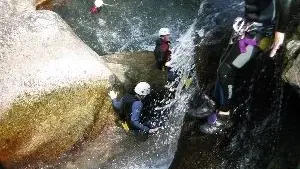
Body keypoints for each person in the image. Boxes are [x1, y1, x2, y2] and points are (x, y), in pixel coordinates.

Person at [200, 0, 300, 134]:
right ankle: (214, 102)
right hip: (250, 29)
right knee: (224, 63)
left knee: (226, 70)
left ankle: (224, 116)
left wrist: (280, 32)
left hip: (259, 35)